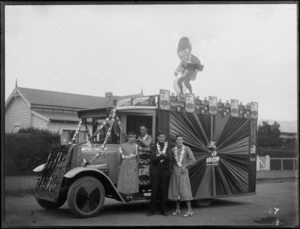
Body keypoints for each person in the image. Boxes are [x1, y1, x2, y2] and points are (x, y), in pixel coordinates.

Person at [168, 134, 196, 217]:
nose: (179, 141)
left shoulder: (187, 149)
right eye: (178, 140)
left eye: (181, 140)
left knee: (185, 191)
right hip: (175, 172)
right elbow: (171, 161)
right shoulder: (173, 149)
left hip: (183, 172)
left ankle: (190, 210)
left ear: (182, 141)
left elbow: (193, 160)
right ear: (175, 141)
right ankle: (177, 209)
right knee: (176, 191)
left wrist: (185, 166)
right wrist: (172, 169)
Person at [147, 132, 172, 216]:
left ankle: (163, 210)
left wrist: (159, 156)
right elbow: (152, 159)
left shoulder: (168, 147)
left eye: (163, 137)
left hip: (165, 170)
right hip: (156, 170)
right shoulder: (154, 147)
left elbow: (170, 158)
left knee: (164, 190)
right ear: (157, 138)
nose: (161, 138)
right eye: (160, 137)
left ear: (165, 138)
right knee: (154, 190)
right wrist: (162, 156)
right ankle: (151, 210)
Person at [117, 131, 139, 201]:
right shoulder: (123, 145)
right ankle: (126, 194)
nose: (132, 138)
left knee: (132, 178)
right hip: (125, 162)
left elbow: (137, 156)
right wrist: (119, 164)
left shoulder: (136, 146)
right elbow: (119, 156)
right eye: (130, 137)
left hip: (133, 163)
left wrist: (137, 164)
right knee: (125, 178)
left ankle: (131, 194)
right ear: (127, 138)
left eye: (133, 137)